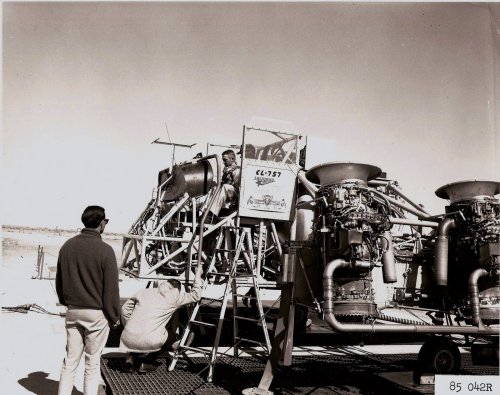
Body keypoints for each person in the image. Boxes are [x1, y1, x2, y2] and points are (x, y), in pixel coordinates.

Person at [56, 205, 121, 395]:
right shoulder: (106, 251)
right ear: (101, 223)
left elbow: (60, 282)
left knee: (70, 362)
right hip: (96, 315)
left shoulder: (67, 246)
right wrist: (114, 316)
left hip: (73, 311)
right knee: (92, 365)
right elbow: (111, 290)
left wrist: (67, 302)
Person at [119, 263, 204, 374]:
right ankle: (146, 362)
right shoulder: (175, 296)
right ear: (176, 289)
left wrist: (130, 325)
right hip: (150, 341)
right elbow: (196, 295)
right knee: (172, 336)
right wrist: (198, 275)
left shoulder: (143, 292)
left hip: (126, 338)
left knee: (140, 332)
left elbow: (125, 309)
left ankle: (130, 360)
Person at [210, 149, 241, 217]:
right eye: (223, 160)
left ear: (232, 159)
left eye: (225, 160)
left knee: (225, 187)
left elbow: (237, 186)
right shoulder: (227, 169)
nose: (223, 162)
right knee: (214, 186)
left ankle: (214, 212)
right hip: (227, 191)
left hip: (235, 194)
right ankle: (204, 210)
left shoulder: (236, 170)